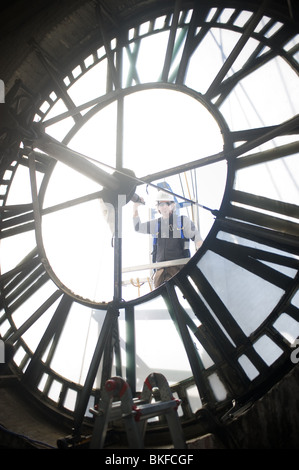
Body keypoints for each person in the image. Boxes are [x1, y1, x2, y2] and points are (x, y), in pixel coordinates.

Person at [133, 190, 203, 288]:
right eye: (161, 204)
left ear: (172, 205)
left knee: (182, 293)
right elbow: (138, 227)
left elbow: (196, 237)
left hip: (178, 268)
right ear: (158, 208)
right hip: (160, 271)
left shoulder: (182, 221)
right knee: (162, 295)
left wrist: (201, 251)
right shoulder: (156, 224)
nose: (164, 206)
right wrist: (135, 207)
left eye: (167, 203)